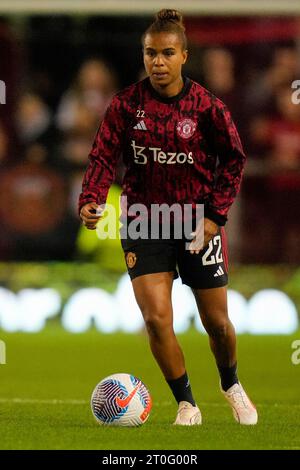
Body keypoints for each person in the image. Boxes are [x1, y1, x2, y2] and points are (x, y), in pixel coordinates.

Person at [79, 9, 258, 426]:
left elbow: (235, 160)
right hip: (143, 220)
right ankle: (186, 404)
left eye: (167, 53)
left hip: (197, 221)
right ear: (143, 56)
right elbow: (102, 155)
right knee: (156, 319)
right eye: (150, 53)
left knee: (217, 322)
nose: (158, 62)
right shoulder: (124, 106)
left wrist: (215, 215)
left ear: (183, 56)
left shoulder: (207, 108)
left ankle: (230, 383)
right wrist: (92, 198)